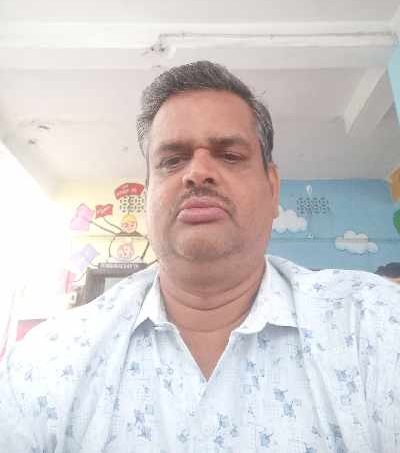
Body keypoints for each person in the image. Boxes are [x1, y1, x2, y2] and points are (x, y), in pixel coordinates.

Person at [0, 61, 399, 452]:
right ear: (148, 196)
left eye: (230, 155)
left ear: (272, 188)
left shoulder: (374, 323)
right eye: (172, 160)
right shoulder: (47, 361)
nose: (198, 172)